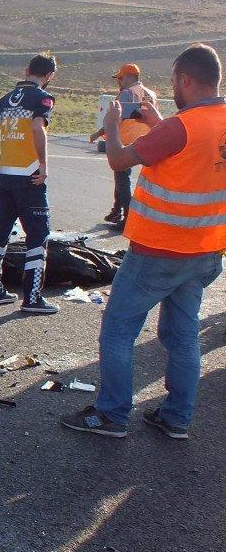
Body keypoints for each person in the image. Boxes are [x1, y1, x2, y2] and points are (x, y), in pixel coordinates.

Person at [61, 44, 226, 440]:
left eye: (174, 81)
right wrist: (158, 122)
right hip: (205, 250)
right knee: (183, 335)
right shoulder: (202, 122)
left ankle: (112, 415)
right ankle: (177, 419)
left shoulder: (178, 128)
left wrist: (114, 125)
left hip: (158, 251)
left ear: (185, 79)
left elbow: (119, 160)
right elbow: (193, 155)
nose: (172, 87)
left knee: (119, 329)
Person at [0, 53, 60, 313]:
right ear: (50, 76)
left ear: (26, 71)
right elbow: (37, 127)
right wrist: (44, 164)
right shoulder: (42, 98)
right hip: (30, 177)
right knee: (37, 236)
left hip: (6, 176)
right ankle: (32, 298)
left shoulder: (6, 99)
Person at [89, 63, 158, 226]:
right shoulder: (151, 94)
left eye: (120, 78)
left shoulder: (126, 94)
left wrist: (98, 134)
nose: (118, 81)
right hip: (147, 139)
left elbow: (114, 119)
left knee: (122, 179)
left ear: (130, 77)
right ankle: (116, 210)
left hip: (126, 141)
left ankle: (128, 216)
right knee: (123, 178)